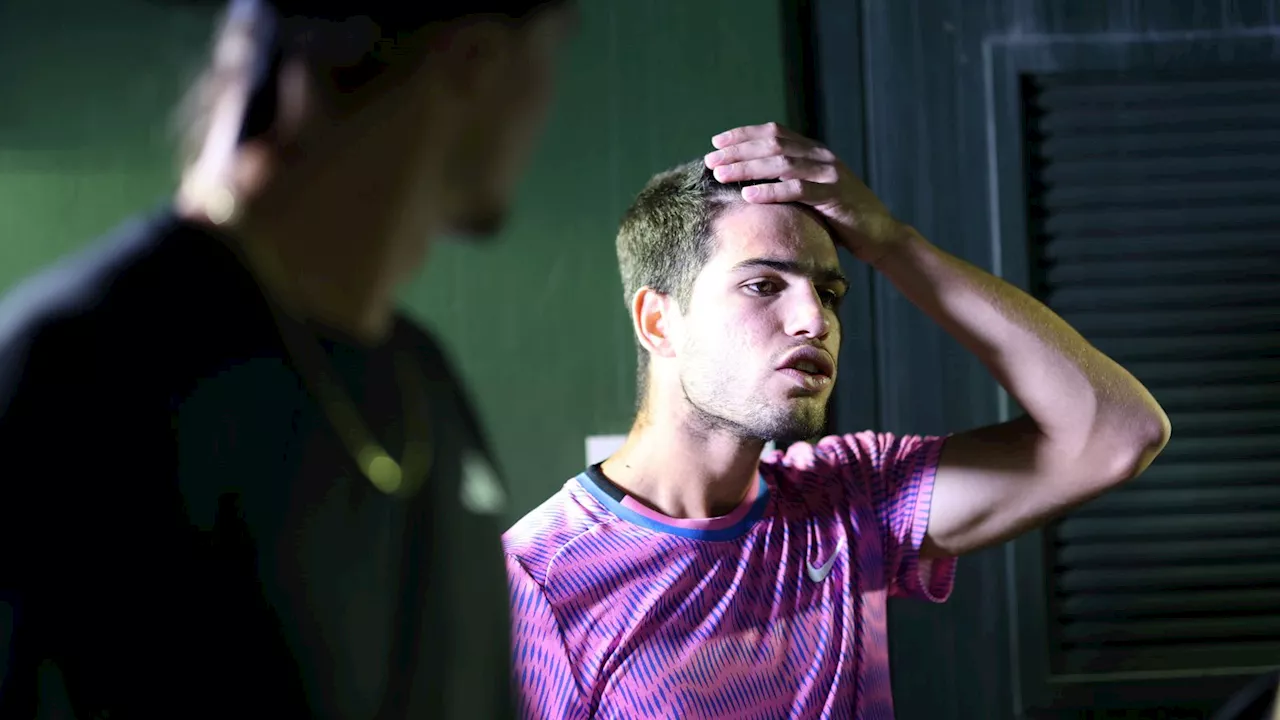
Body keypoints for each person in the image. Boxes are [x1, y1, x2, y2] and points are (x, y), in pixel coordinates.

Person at [0, 0, 575, 717]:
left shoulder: (427, 389)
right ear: (475, 62)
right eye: (553, 50)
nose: (549, 99)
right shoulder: (78, 377)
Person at [503, 122, 1172, 719]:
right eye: (764, 285)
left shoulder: (850, 499)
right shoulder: (538, 583)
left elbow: (1116, 435)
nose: (815, 321)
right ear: (658, 321)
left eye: (828, 292)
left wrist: (891, 242)